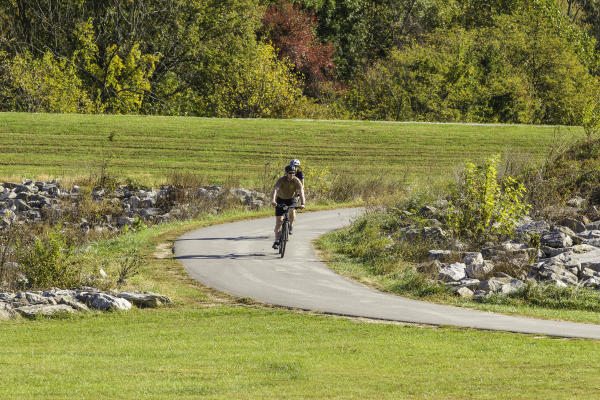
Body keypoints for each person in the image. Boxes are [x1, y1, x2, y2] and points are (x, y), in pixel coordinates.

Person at [271, 164, 305, 249]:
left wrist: (303, 203)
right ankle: (276, 240)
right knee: (279, 221)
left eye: (294, 173)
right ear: (286, 173)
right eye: (290, 173)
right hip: (280, 199)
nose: (292, 175)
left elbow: (301, 192)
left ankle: (290, 225)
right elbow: (275, 190)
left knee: (292, 212)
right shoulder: (281, 180)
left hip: (291, 199)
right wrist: (273, 200)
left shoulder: (296, 181)